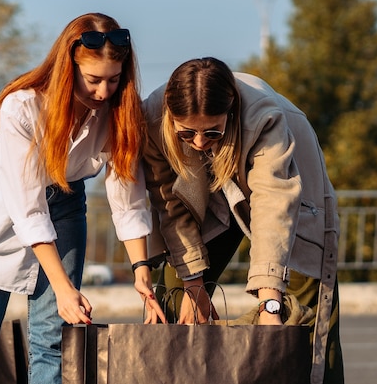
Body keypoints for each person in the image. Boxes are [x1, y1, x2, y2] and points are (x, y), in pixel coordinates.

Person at [0, 12, 166, 384]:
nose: (103, 92)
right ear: (69, 69)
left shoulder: (118, 112)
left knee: (52, 343)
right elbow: (27, 208)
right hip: (2, 217)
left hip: (66, 206)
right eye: (93, 79)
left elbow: (127, 195)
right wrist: (63, 288)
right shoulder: (22, 108)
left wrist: (140, 270)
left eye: (114, 80)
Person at [141, 57, 344, 384]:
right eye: (187, 133)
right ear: (168, 113)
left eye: (212, 132)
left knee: (304, 333)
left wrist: (270, 303)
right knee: (177, 305)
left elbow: (272, 205)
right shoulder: (151, 119)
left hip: (292, 198)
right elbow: (170, 205)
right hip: (205, 201)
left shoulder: (263, 114)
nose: (199, 142)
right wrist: (194, 287)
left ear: (231, 110)